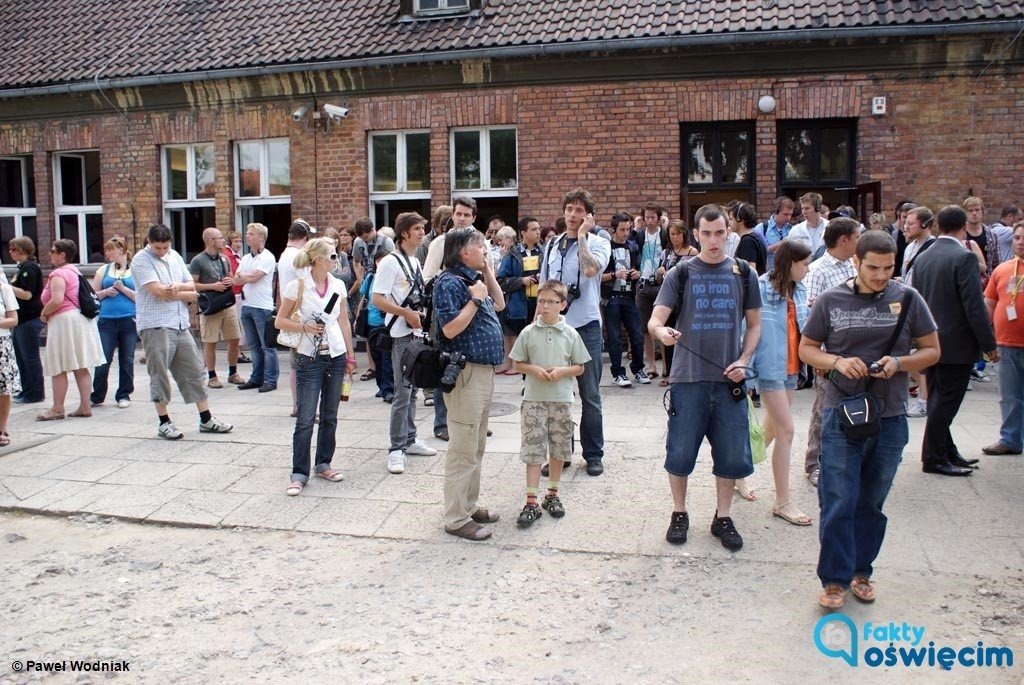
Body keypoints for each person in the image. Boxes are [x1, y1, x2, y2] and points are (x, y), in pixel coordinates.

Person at [798, 230, 939, 608]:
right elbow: (806, 349)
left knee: (871, 501)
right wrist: (838, 361)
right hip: (841, 414)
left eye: (888, 267)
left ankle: (862, 570)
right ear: (856, 262)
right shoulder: (831, 300)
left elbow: (932, 351)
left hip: (890, 416)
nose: (881, 275)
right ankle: (834, 578)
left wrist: (901, 363)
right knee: (838, 497)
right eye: (873, 267)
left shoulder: (908, 298)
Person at [649, 204, 762, 551]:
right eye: (706, 233)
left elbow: (755, 325)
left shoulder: (744, 273)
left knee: (729, 454)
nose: (713, 240)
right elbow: (655, 320)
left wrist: (744, 360)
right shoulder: (680, 273)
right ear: (696, 235)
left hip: (730, 381)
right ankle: (679, 512)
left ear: (729, 232)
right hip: (688, 378)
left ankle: (723, 516)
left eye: (719, 232)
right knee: (680, 452)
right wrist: (662, 332)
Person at [913, 205, 998, 476]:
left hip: (930, 341)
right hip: (956, 344)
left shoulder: (924, 256)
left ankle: (946, 450)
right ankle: (933, 457)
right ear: (963, 228)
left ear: (938, 226)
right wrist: (989, 345)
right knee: (946, 402)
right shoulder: (963, 257)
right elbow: (974, 306)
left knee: (938, 399)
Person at [433, 227, 506, 540]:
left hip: (484, 372)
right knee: (463, 446)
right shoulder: (448, 281)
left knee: (476, 444)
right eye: (481, 246)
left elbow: (500, 303)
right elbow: (449, 329)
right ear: (464, 251)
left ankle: (468, 504)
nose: (486, 249)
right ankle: (455, 517)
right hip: (466, 373)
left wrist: (487, 273)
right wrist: (475, 301)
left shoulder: (475, 280)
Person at [734, 240, 813, 524]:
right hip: (769, 368)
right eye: (804, 264)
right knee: (786, 431)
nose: (807, 269)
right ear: (790, 263)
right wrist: (747, 368)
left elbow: (803, 327)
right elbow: (749, 328)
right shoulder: (762, 287)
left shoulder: (799, 289)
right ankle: (783, 502)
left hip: (792, 368)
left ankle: (736, 472)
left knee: (772, 430)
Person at [131, 225, 233, 439]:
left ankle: (206, 419)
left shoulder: (175, 256)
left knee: (194, 371)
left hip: (179, 323)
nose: (161, 251)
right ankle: (164, 422)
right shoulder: (141, 260)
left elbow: (191, 285)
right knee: (159, 374)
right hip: (156, 324)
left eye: (165, 247)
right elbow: (158, 292)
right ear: (149, 242)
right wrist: (181, 293)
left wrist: (175, 288)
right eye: (157, 247)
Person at [275, 237, 357, 495]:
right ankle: (299, 471)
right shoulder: (297, 286)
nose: (337, 260)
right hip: (308, 355)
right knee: (306, 417)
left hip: (335, 353)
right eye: (333, 256)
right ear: (319, 259)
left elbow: (344, 321)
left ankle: (324, 463)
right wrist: (304, 327)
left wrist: (350, 356)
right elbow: (279, 321)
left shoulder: (338, 285)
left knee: (330, 415)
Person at [539, 189, 612, 476]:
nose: (572, 214)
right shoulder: (552, 245)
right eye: (569, 208)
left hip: (586, 327)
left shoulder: (598, 242)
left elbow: (591, 270)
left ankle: (593, 454)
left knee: (590, 394)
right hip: (556, 327)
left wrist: (582, 236)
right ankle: (560, 453)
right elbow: (544, 289)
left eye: (579, 210)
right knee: (557, 394)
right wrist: (537, 325)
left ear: (589, 216)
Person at [510, 280, 590, 528]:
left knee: (558, 448)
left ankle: (553, 493)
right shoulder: (528, 332)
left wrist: (562, 371)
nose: (544, 306)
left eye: (550, 302)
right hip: (534, 399)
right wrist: (532, 368)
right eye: (541, 301)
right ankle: (531, 499)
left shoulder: (570, 334)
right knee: (533, 450)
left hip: (561, 400)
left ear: (562, 305)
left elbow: (580, 367)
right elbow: (517, 363)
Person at [372, 212, 438, 475]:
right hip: (400, 333)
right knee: (402, 392)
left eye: (423, 228)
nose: (422, 232)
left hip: (415, 331)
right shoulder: (390, 262)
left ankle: (410, 439)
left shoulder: (414, 261)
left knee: (412, 388)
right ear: (404, 233)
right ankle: (396, 448)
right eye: (417, 228)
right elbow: (377, 298)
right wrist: (406, 314)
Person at [800, 217, 860, 487]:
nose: (860, 241)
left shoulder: (854, 265)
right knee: (823, 412)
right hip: (828, 356)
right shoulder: (818, 271)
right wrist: (820, 357)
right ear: (844, 239)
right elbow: (809, 315)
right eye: (857, 236)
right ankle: (815, 463)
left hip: (854, 354)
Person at [35, 239, 105, 421]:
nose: (50, 253)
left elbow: (57, 299)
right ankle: (85, 406)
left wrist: (44, 313)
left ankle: (57, 408)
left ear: (62, 254)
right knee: (81, 366)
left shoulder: (58, 274)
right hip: (79, 320)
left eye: (52, 250)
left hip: (63, 322)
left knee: (59, 367)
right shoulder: (75, 271)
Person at [426, 197, 478, 440]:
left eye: (467, 215)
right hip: (447, 310)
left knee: (473, 366)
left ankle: (472, 421)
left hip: (474, 311)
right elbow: (427, 277)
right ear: (452, 216)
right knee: (444, 363)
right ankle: (441, 423)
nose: (462, 218)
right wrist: (453, 283)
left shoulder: (479, 241)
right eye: (458, 214)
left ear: (473, 218)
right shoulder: (441, 243)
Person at [983, 221, 1024, 456]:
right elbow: (989, 303)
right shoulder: (1003, 270)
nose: (1021, 242)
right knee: (1010, 397)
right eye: (1017, 238)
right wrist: (985, 337)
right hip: (1007, 343)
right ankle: (1010, 439)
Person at [188, 228, 242, 390]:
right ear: (211, 240)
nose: (224, 241)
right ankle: (212, 375)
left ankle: (233, 373)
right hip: (211, 305)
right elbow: (192, 284)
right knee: (210, 341)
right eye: (220, 238)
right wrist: (212, 286)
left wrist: (230, 281)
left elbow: (232, 277)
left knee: (235, 338)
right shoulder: (198, 261)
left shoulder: (224, 258)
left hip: (227, 303)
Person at [899, 206, 938, 419]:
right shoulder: (909, 247)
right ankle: (923, 396)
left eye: (910, 223)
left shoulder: (932, 248)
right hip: (906, 304)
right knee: (904, 353)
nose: (906, 226)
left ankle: (924, 399)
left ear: (924, 224)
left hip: (922, 306)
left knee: (917, 355)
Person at [91, 236, 137, 408]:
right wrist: (106, 292)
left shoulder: (135, 270)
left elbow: (141, 297)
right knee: (103, 359)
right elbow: (93, 294)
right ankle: (97, 395)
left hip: (129, 319)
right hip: (106, 320)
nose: (108, 253)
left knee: (127, 359)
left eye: (111, 249)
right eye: (107, 249)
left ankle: (124, 394)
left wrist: (123, 289)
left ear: (121, 250)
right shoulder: (104, 270)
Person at [602, 213, 648, 387]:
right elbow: (596, 276)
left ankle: (638, 368)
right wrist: (614, 274)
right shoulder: (605, 247)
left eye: (628, 229)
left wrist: (637, 273)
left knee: (637, 335)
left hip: (629, 295)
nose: (626, 233)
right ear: (614, 229)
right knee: (614, 338)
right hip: (611, 297)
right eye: (622, 229)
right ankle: (618, 372)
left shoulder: (633, 246)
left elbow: (639, 268)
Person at [234, 222, 278, 393]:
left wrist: (244, 276)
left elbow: (254, 278)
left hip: (262, 307)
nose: (247, 236)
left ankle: (270, 379)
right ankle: (256, 378)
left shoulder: (267, 257)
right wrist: (245, 276)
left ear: (261, 237)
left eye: (251, 233)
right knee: (253, 346)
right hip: (247, 305)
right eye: (247, 233)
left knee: (267, 346)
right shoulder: (245, 258)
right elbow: (236, 279)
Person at [495, 216, 543, 374]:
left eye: (538, 229)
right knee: (516, 333)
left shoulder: (544, 251)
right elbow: (501, 280)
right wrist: (521, 281)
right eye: (533, 229)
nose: (538, 232)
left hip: (540, 302)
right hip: (518, 302)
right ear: (523, 233)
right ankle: (515, 364)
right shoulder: (513, 254)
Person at [656, 219, 699, 384]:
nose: (675, 237)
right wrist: (660, 273)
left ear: (684, 234)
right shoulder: (666, 253)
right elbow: (658, 280)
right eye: (672, 234)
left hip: (687, 299)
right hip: (669, 299)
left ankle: (687, 370)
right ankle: (668, 373)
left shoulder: (692, 252)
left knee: (686, 334)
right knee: (668, 334)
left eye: (678, 234)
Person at [278, 220, 312, 414]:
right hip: (300, 312)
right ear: (305, 237)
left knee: (295, 362)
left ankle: (296, 404)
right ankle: (300, 404)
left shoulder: (284, 254)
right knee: (302, 361)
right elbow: (306, 283)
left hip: (290, 310)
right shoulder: (299, 256)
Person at [632, 203, 670, 378]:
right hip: (643, 283)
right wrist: (635, 227)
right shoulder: (640, 235)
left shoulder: (664, 235)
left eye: (653, 217)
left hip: (661, 283)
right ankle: (652, 366)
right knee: (646, 328)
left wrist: (667, 225)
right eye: (646, 217)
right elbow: (631, 250)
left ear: (659, 218)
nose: (649, 220)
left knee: (662, 326)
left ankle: (666, 366)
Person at [8, 237, 45, 404]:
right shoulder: (21, 267)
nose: (10, 252)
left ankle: (35, 392)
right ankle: (25, 389)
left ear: (22, 250)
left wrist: (6, 287)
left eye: (13, 249)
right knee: (20, 356)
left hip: (29, 319)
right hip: (21, 319)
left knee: (30, 357)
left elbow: (27, 294)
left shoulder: (29, 268)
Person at [358, 249, 395, 402]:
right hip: (372, 323)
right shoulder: (370, 278)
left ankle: (388, 389)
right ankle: (381, 387)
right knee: (377, 357)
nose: (380, 263)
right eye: (378, 260)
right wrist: (358, 316)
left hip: (386, 323)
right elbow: (364, 297)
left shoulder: (392, 277)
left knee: (386, 357)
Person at [0, 276, 21, 445]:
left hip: (2, 344)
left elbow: (13, 320)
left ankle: (1, 428)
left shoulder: (4, 289)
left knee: (3, 389)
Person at [224, 231, 250, 363]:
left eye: (240, 241)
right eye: (236, 241)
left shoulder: (236, 256)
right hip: (235, 294)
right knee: (239, 323)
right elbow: (235, 274)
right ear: (230, 242)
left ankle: (239, 351)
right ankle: (238, 353)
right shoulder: (228, 256)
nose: (239, 244)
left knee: (240, 323)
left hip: (240, 292)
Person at [754, 197, 795, 272]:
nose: (788, 218)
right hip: (768, 273)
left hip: (787, 273)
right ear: (776, 211)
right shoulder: (762, 228)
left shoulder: (792, 229)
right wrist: (781, 243)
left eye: (790, 214)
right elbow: (760, 252)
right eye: (785, 214)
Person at [732, 202, 767, 274]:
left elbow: (750, 271)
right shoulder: (754, 237)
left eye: (731, 219)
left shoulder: (747, 242)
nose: (728, 223)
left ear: (739, 219)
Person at [789, 192, 828, 257]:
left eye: (807, 208)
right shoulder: (796, 230)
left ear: (817, 208)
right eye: (802, 208)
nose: (804, 212)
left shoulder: (830, 227)